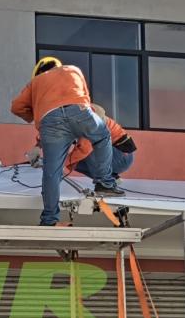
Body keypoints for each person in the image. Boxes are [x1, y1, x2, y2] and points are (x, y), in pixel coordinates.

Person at [10, 57, 123, 225]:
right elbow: (85, 98)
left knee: (52, 173)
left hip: (50, 121)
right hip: (78, 111)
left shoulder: (36, 82)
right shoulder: (73, 69)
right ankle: (105, 183)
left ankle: (49, 219)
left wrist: (38, 115)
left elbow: (16, 107)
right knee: (102, 136)